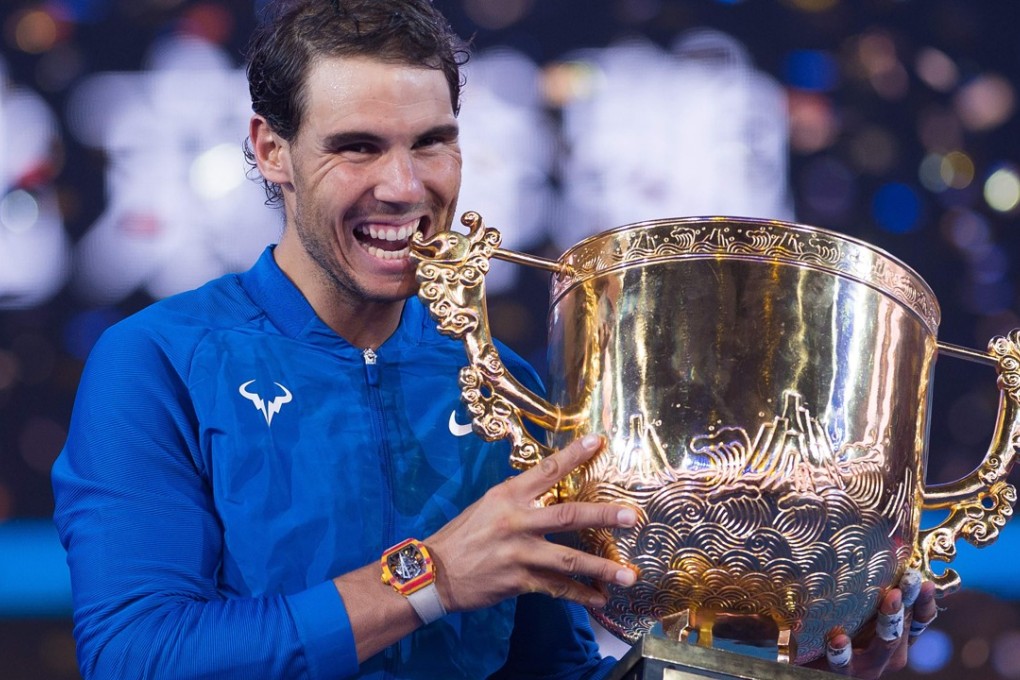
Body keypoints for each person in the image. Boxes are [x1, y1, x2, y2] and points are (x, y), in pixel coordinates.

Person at [51, 0, 936, 678]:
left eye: (432, 143)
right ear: (271, 149)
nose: (405, 186)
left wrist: (775, 655)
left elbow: (552, 671)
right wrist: (428, 577)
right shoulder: (158, 362)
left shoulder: (497, 383)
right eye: (356, 148)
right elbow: (138, 654)